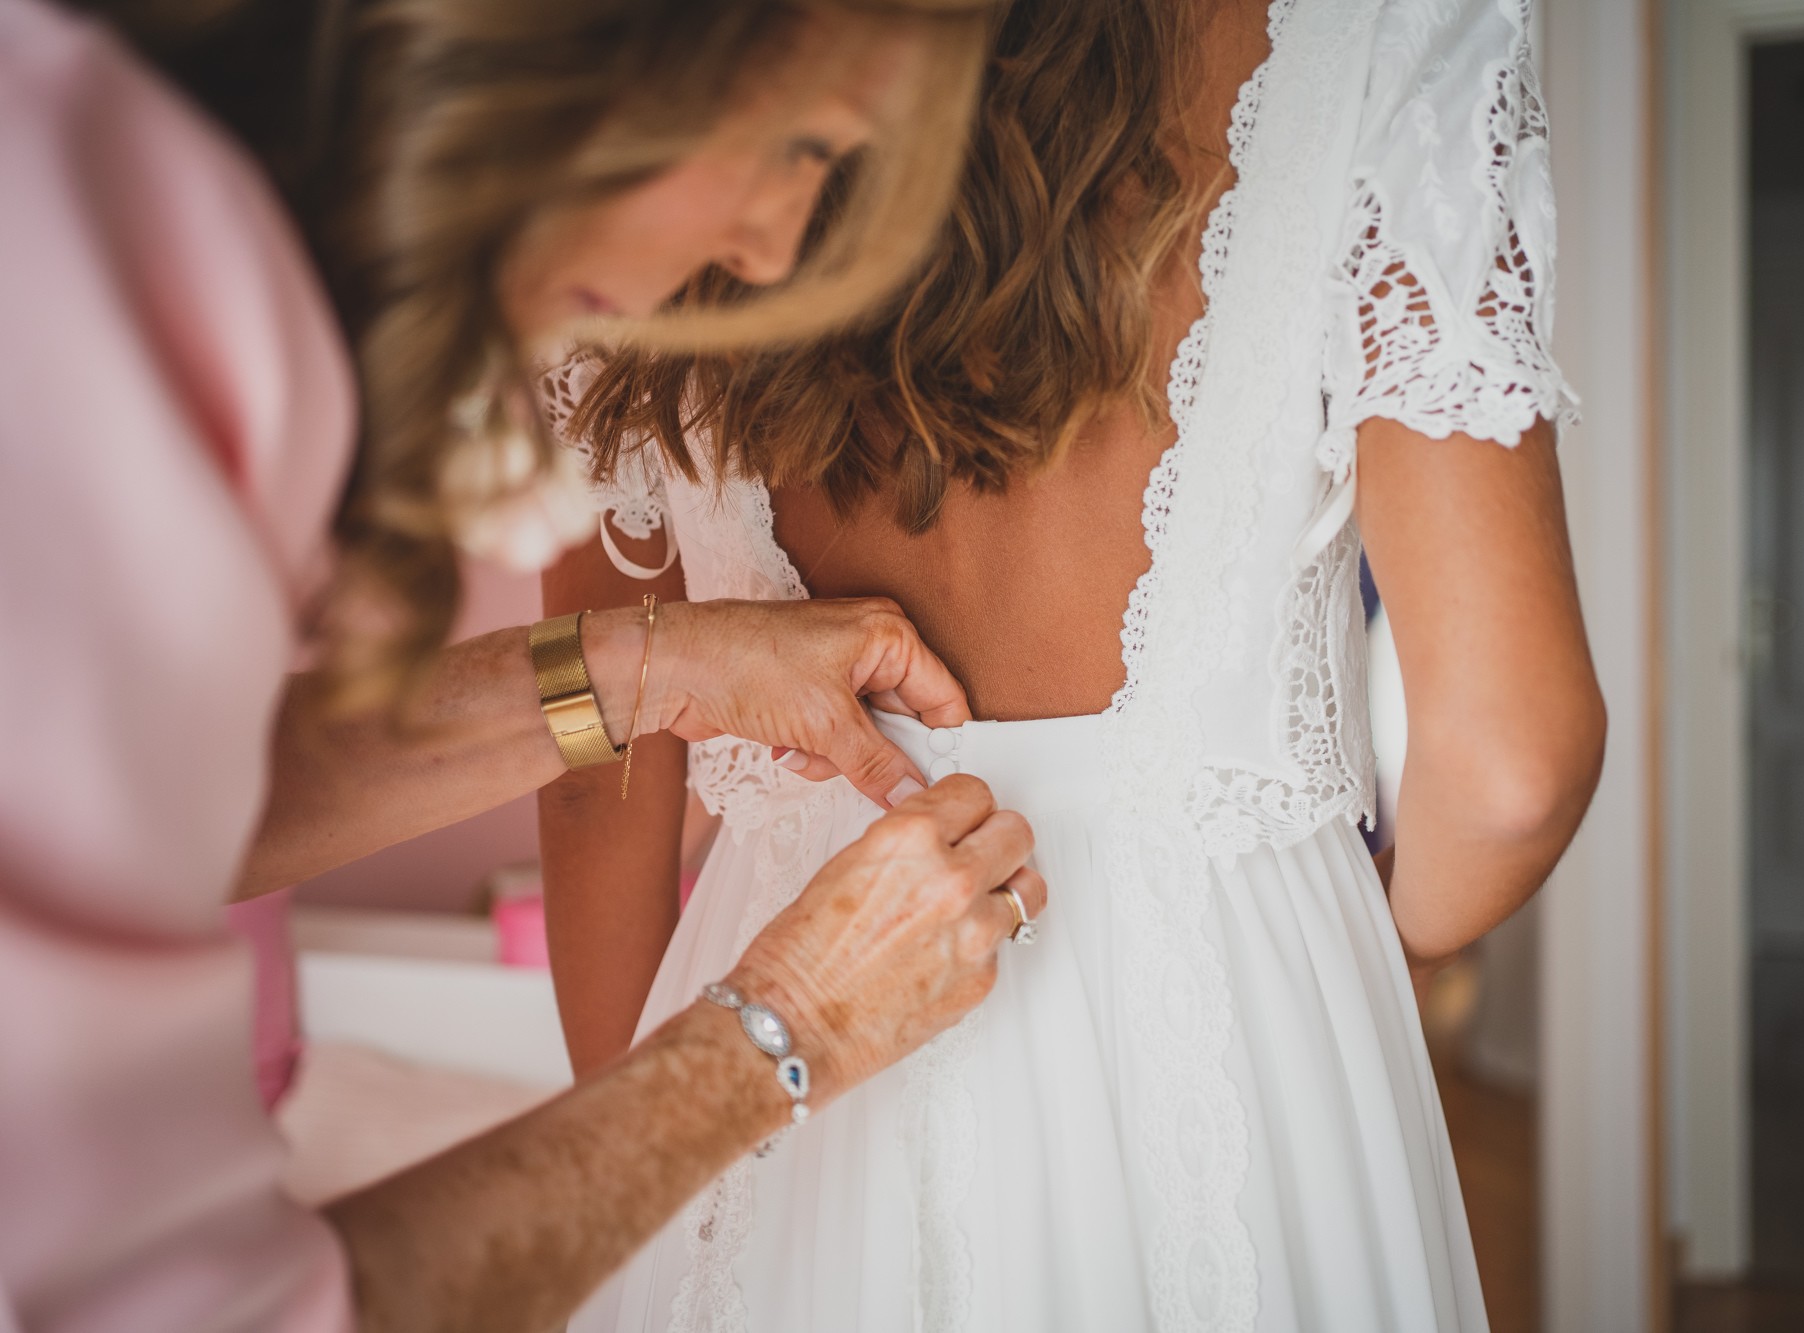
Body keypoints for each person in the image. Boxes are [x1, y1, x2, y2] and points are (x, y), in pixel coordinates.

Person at [544, 0, 1607, 1328]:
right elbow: (1516, 763)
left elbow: (594, 759)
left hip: (787, 1050)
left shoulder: (662, 64)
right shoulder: (1381, 27)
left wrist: (651, 1146)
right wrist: (1362, 945)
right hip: (1236, 1027)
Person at [0, 2, 1051, 1330]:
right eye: (798, 145)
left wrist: (651, 666)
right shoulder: (90, 327)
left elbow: (160, 791)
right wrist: (783, 1030)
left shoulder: (95, 177)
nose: (773, 245)